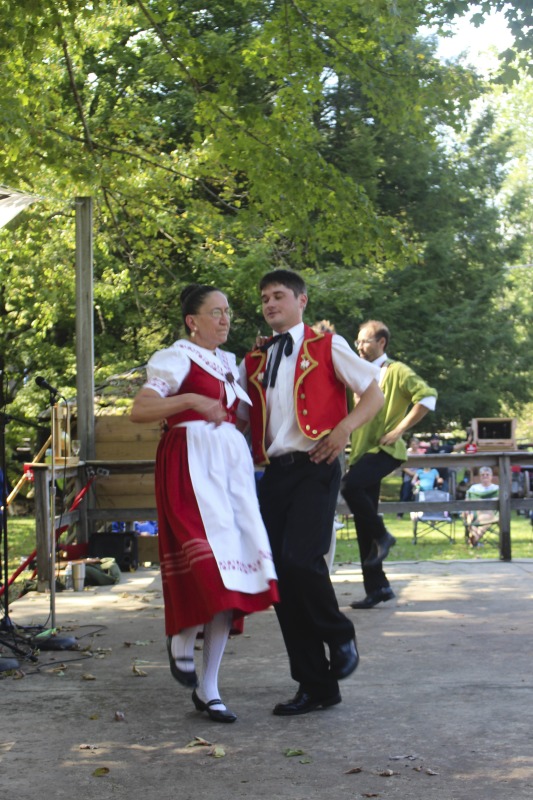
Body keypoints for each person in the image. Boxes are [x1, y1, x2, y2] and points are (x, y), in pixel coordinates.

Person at [238, 269, 384, 716]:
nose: (269, 304)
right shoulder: (256, 360)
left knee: (302, 559)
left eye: (278, 296)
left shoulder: (328, 345)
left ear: (302, 301)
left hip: (317, 465)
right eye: (264, 298)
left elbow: (372, 394)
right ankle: (315, 684)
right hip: (274, 473)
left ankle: (339, 634)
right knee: (281, 578)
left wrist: (343, 431)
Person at [130, 284, 278, 724]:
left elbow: (250, 414)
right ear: (193, 321)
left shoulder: (231, 364)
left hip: (230, 472)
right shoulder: (175, 356)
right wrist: (194, 399)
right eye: (216, 312)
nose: (225, 319)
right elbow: (141, 409)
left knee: (233, 574)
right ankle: (180, 638)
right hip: (191, 463)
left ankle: (209, 688)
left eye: (228, 312)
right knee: (207, 563)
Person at [341, 320, 438, 609]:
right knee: (361, 522)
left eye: (365, 341)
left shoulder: (397, 371)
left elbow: (429, 397)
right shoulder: (356, 372)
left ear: (381, 343)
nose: (359, 346)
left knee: (349, 487)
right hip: (360, 452)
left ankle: (384, 534)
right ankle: (378, 587)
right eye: (357, 341)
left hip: (385, 449)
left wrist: (399, 431)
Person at [463, 466, 499, 546]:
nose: (485, 476)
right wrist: (467, 512)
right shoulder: (474, 488)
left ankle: (474, 538)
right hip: (475, 512)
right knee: (469, 518)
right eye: (483, 475)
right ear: (480, 477)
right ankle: (475, 539)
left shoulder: (497, 489)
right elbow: (467, 502)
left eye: (487, 474)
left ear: (491, 476)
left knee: (487, 516)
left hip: (491, 512)